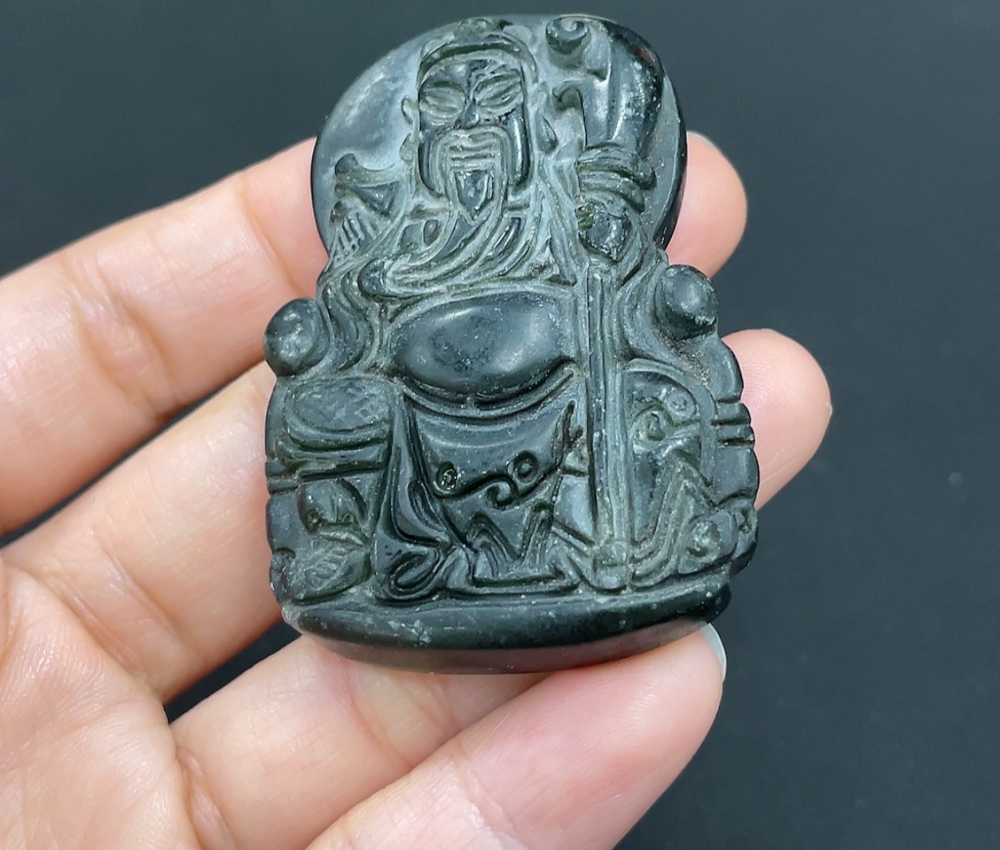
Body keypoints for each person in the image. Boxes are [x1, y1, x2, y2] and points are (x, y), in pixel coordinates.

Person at [0, 133, 829, 850]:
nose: (472, 175)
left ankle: (610, 544)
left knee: (658, 402)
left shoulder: (562, 237)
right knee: (335, 410)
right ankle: (380, 550)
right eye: (455, 159)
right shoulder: (412, 242)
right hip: (426, 382)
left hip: (557, 371)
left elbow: (647, 316)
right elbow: (356, 314)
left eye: (488, 156)